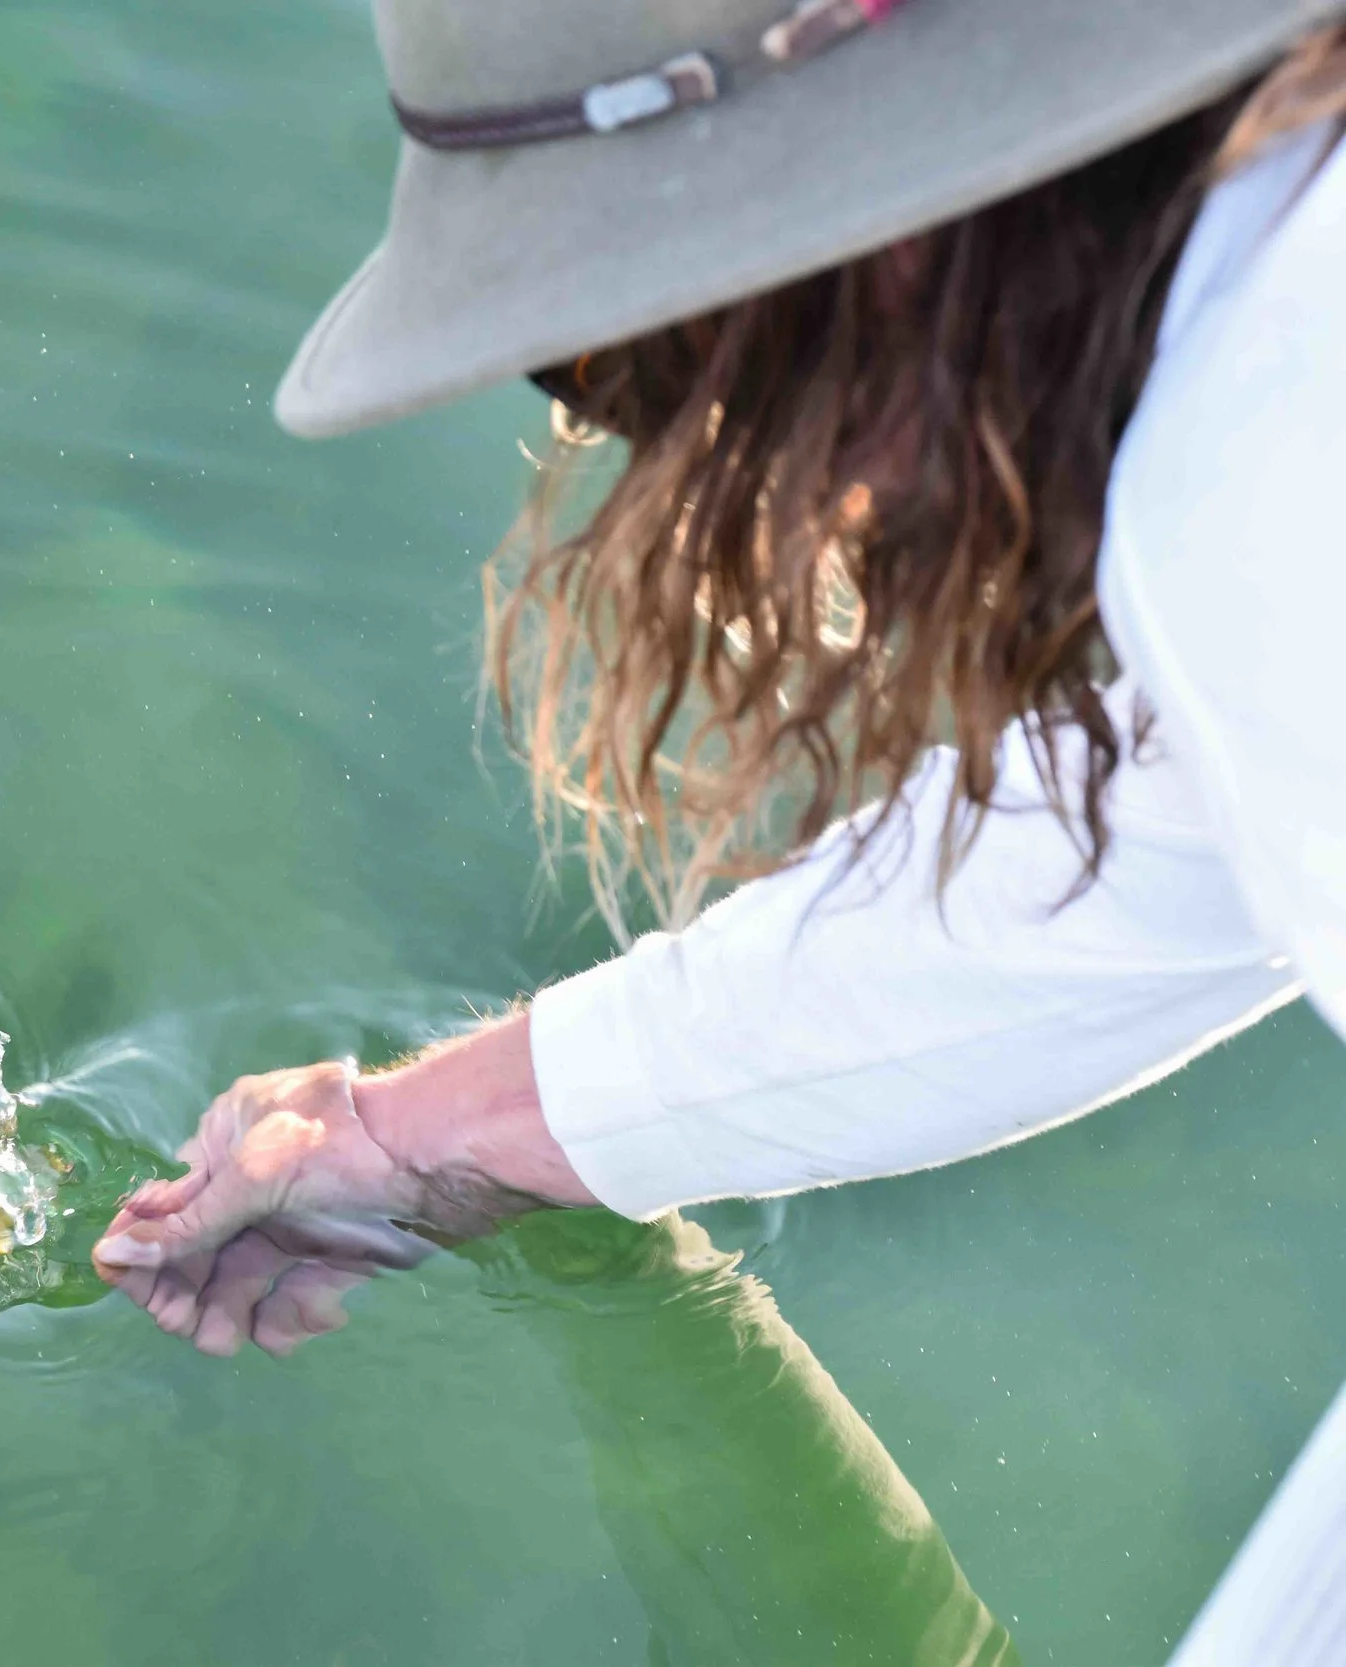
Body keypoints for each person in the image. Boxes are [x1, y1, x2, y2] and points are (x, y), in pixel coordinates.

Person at [89, 0, 1346, 1657]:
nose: (648, 443)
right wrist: (421, 1136)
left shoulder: (1263, 473)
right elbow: (1127, 848)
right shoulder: (1256, 360)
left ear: (866, 226)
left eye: (613, 358)